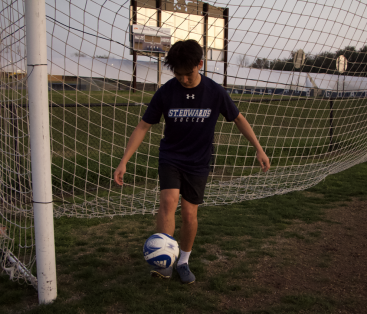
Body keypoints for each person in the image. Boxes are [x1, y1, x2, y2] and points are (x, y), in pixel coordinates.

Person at [113, 39, 270, 284]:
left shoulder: (214, 91)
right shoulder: (166, 91)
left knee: (189, 213)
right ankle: (163, 261)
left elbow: (238, 118)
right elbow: (143, 126)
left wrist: (258, 149)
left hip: (198, 160)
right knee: (168, 201)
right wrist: (124, 161)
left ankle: (183, 261)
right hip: (171, 156)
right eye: (178, 74)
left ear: (200, 64)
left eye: (188, 74)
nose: (183, 79)